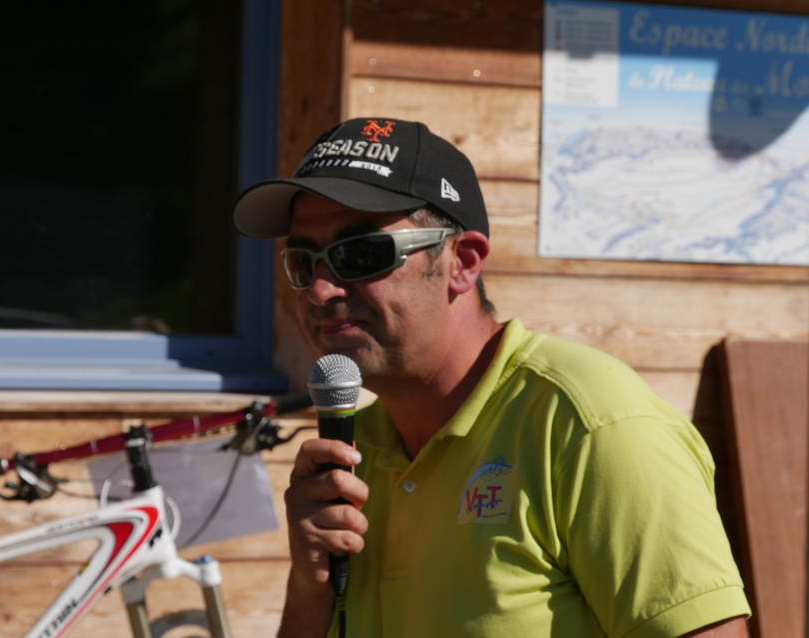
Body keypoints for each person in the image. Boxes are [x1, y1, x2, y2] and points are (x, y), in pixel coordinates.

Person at [231, 118, 751, 638]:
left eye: (359, 255)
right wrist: (309, 588)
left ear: (462, 262)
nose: (320, 290)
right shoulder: (351, 450)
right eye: (303, 262)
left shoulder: (589, 424)